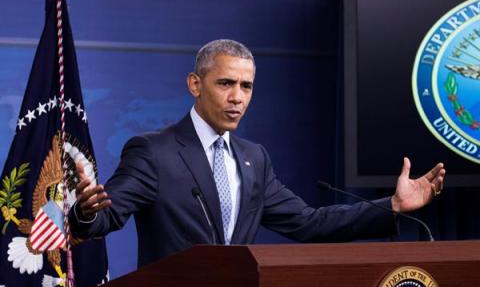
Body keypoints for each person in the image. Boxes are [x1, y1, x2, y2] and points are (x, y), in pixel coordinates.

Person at [70, 39, 445, 267]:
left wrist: (391, 206)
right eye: (226, 84)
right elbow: (108, 216)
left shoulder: (254, 158)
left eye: (246, 86)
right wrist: (86, 211)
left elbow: (308, 222)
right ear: (195, 84)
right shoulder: (153, 151)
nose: (238, 97)